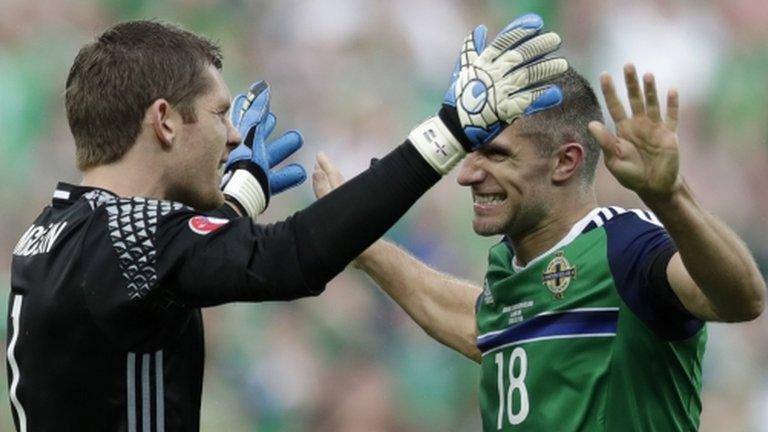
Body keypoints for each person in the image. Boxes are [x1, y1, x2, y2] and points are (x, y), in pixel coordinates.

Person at [6, 16, 568, 431]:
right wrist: (446, 132)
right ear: (165, 122)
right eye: (220, 113)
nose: (233, 136)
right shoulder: (134, 239)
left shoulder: (55, 227)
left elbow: (170, 260)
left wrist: (237, 201)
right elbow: (288, 257)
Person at [313, 63, 767, 430]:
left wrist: (671, 198)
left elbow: (742, 298)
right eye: (470, 153)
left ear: (565, 161)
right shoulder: (509, 270)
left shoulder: (627, 246)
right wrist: (363, 245)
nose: (468, 174)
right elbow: (475, 322)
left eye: (495, 154)